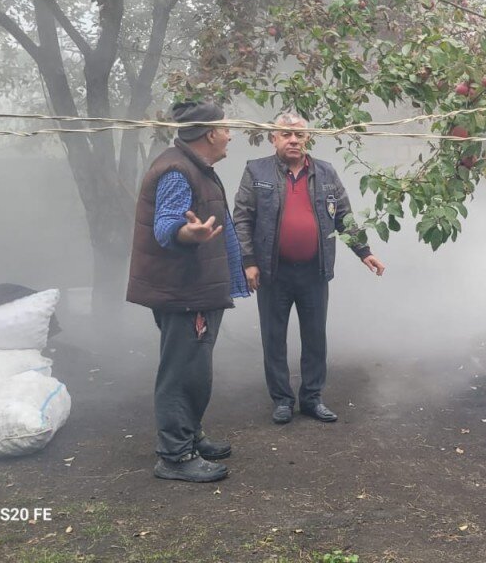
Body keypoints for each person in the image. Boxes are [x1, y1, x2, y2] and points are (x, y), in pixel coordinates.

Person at [233, 112, 386, 425]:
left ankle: (312, 398)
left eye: (299, 135)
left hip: (313, 272)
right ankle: (282, 401)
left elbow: (344, 216)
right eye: (286, 135)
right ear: (273, 138)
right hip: (273, 272)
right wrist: (248, 262)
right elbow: (242, 219)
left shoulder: (326, 172)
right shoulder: (256, 170)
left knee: (315, 337)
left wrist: (364, 251)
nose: (293, 140)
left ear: (308, 139)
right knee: (274, 338)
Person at [126, 100, 248, 483]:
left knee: (195, 370)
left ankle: (190, 437)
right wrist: (187, 232)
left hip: (195, 288)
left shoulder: (196, 167)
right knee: (182, 373)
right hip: (184, 292)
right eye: (226, 128)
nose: (230, 134)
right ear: (210, 133)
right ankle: (175, 456)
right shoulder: (178, 171)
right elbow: (165, 225)